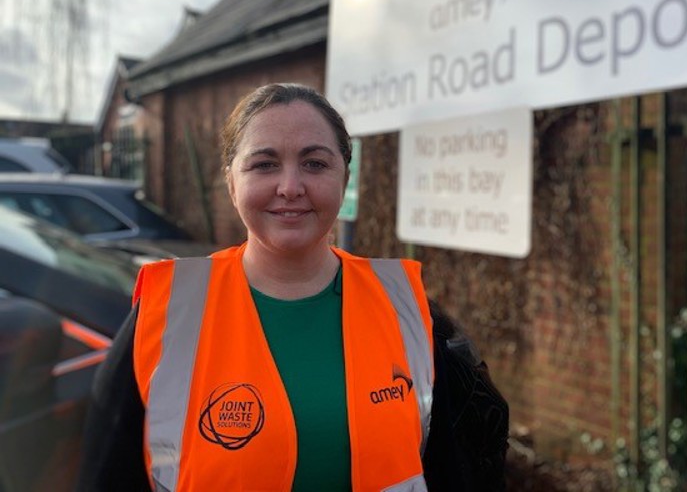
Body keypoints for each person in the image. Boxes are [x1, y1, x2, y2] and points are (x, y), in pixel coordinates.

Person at [76, 83, 507, 492]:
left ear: (344, 177)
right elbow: (108, 476)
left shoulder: (409, 311)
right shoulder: (167, 315)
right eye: (264, 164)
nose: (290, 187)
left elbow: (466, 466)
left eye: (314, 163)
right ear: (231, 181)